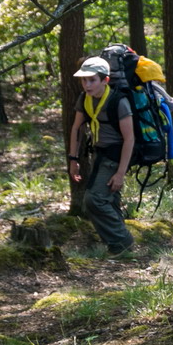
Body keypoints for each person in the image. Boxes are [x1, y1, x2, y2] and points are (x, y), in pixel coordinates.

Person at [68, 55, 136, 257]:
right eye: (84, 80)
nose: (87, 85)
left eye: (92, 80)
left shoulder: (119, 102)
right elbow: (77, 129)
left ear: (105, 80)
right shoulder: (85, 99)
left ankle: (122, 242)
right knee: (109, 198)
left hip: (116, 155)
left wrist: (120, 173)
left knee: (93, 200)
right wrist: (73, 160)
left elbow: (129, 139)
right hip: (99, 154)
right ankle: (119, 243)